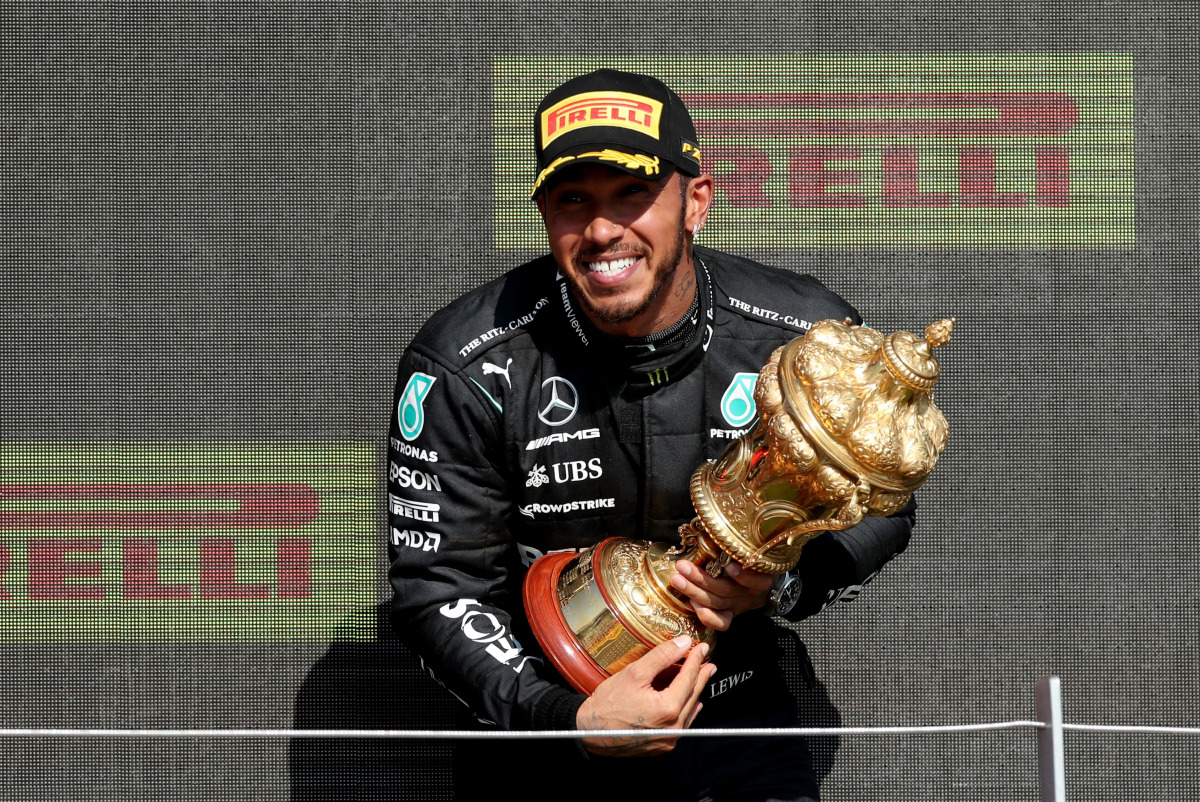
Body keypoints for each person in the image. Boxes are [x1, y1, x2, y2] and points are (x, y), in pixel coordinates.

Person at [386, 68, 916, 801]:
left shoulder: (804, 343)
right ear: (543, 213)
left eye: (632, 194)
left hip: (739, 722)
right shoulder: (467, 363)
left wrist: (784, 579)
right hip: (546, 731)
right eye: (574, 201)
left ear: (695, 200)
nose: (603, 231)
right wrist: (565, 718)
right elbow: (439, 586)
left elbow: (882, 501)